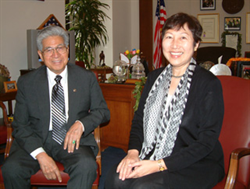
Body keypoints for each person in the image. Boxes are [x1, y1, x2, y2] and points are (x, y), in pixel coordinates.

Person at [105, 12, 225, 189]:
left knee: (144, 187)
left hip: (198, 163)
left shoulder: (209, 84)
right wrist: (132, 153)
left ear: (196, 44)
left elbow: (206, 142)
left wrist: (158, 165)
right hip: (155, 154)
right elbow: (139, 121)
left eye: (183, 37)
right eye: (169, 37)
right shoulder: (154, 78)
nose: (175, 45)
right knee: (114, 179)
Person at [2, 26, 110, 189]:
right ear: (40, 55)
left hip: (72, 141)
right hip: (36, 138)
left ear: (67, 50)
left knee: (86, 166)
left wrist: (81, 125)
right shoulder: (27, 82)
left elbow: (102, 111)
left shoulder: (85, 78)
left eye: (60, 48)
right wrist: (40, 154)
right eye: (49, 50)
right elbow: (20, 125)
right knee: (11, 169)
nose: (56, 55)